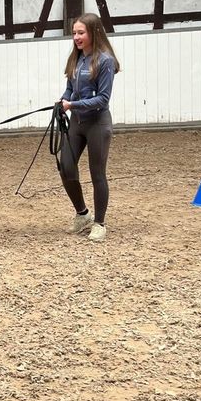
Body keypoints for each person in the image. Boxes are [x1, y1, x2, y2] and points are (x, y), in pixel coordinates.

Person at [59, 13, 121, 242]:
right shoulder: (75, 59)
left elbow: (103, 99)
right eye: (74, 33)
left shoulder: (105, 61)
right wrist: (63, 101)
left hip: (97, 122)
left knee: (97, 174)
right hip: (77, 122)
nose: (76, 37)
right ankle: (83, 214)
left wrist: (71, 104)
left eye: (81, 33)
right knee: (66, 167)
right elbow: (69, 88)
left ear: (93, 33)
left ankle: (100, 223)